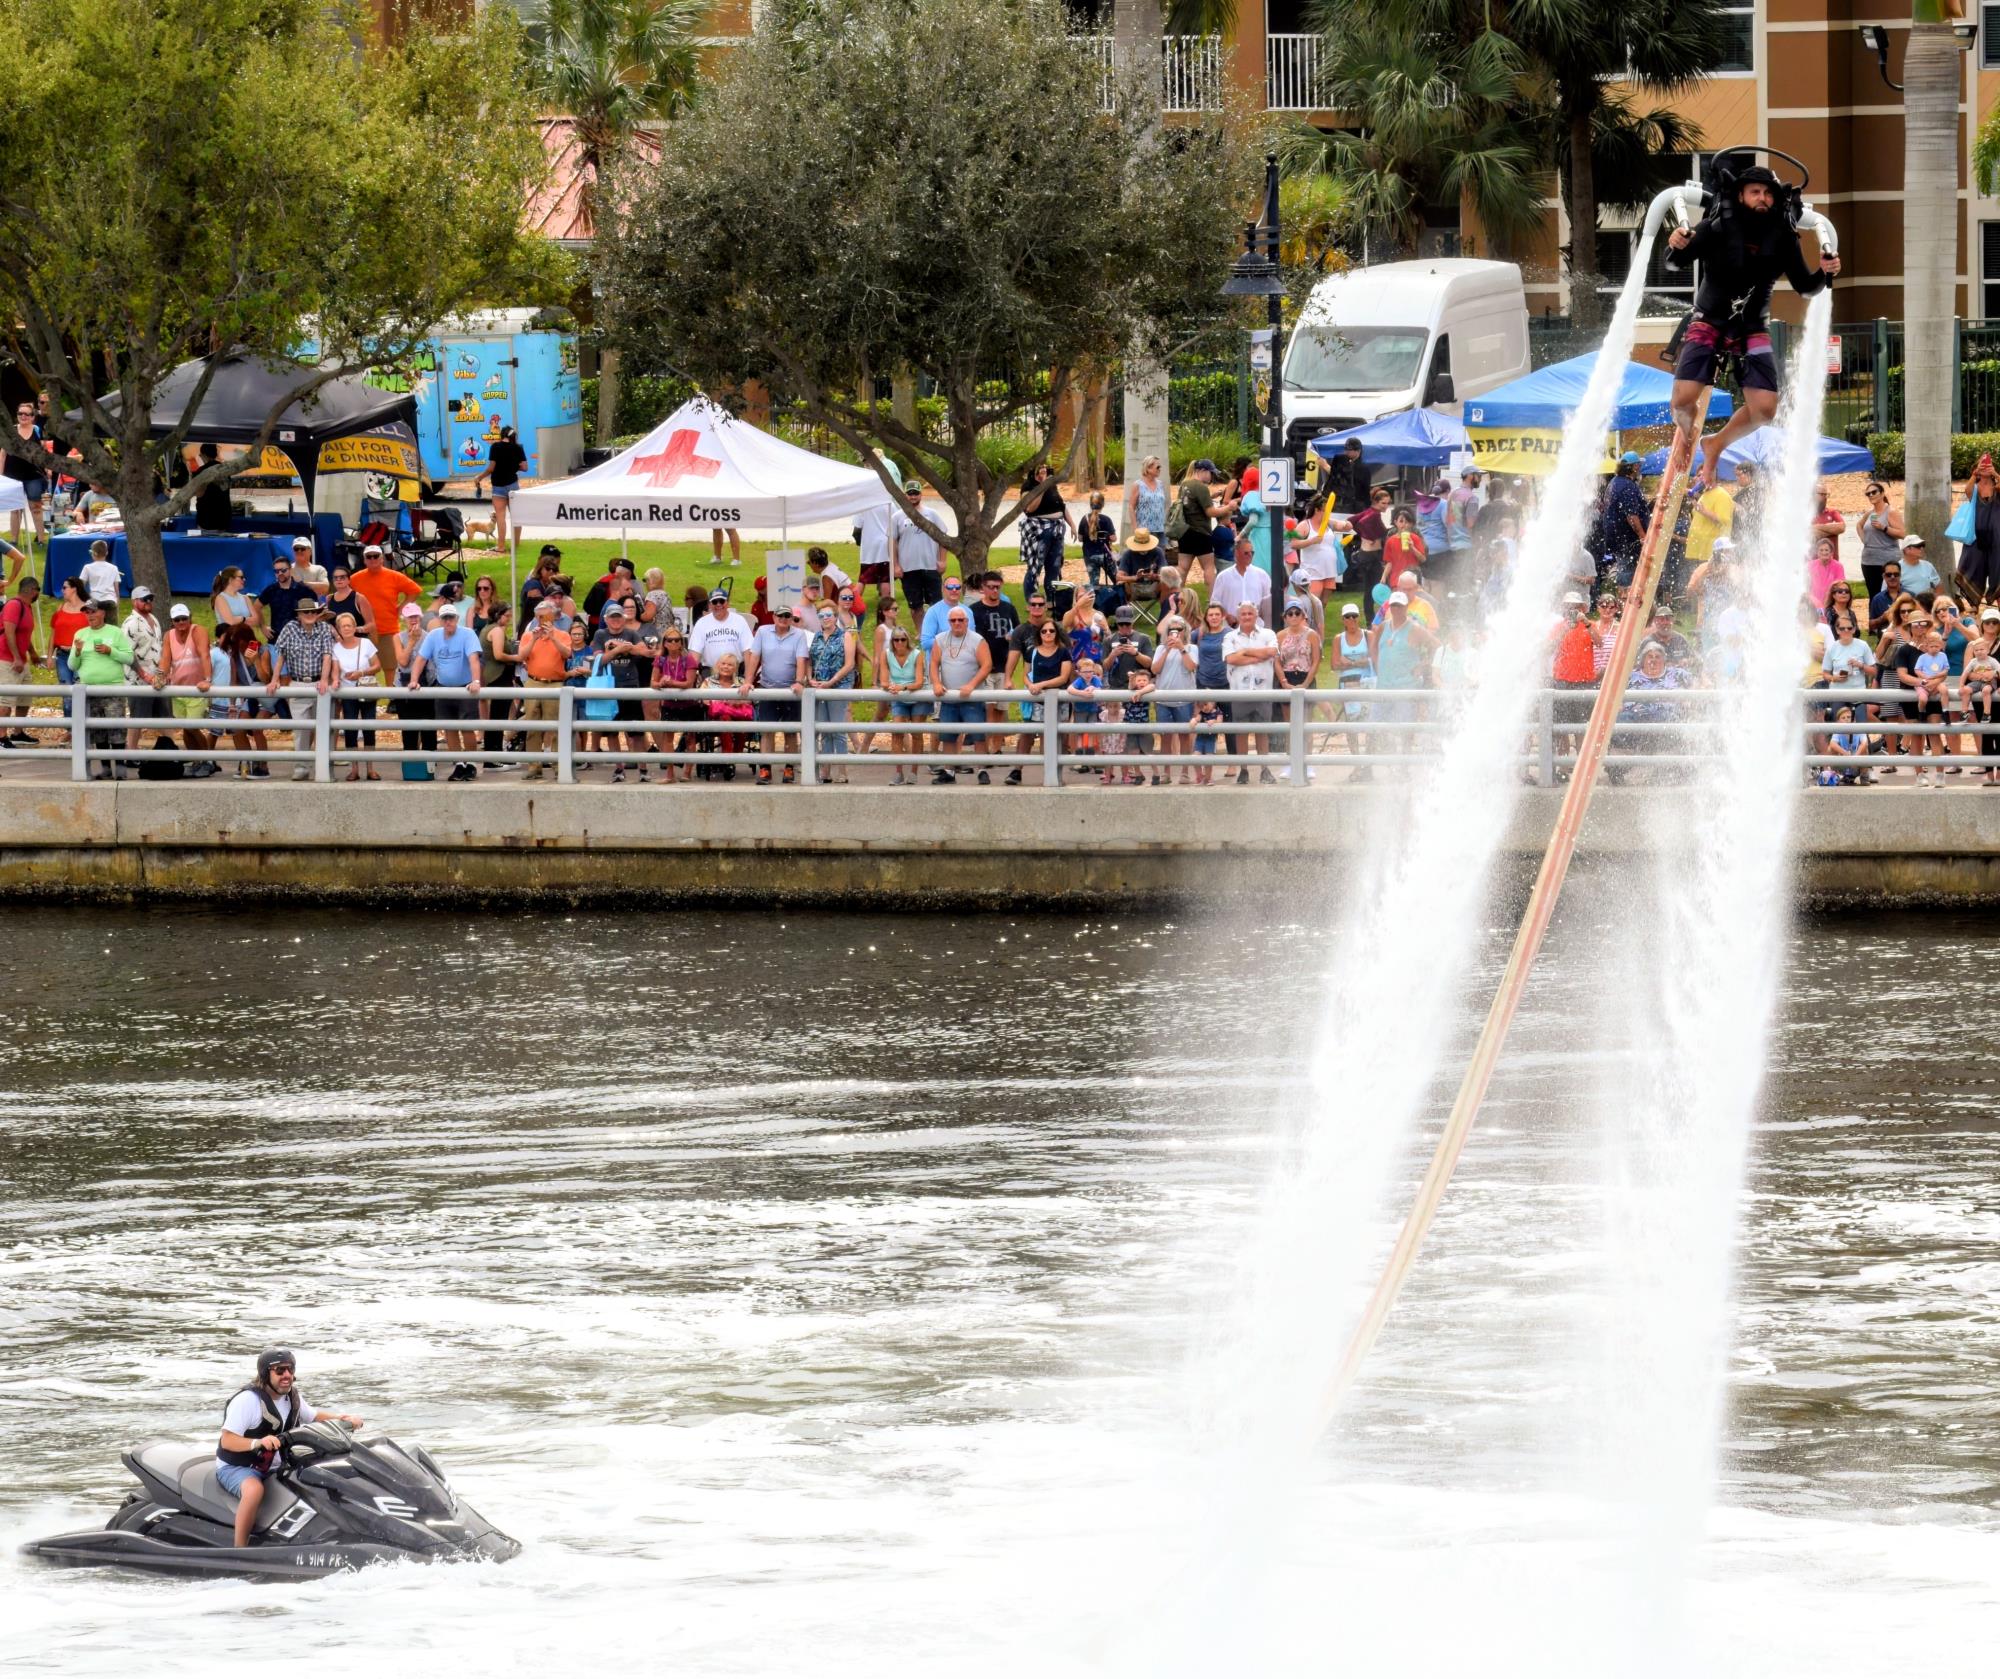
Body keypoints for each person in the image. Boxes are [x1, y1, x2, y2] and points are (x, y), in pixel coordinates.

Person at [1664, 161, 1840, 484]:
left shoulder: (1783, 236)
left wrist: (1824, 273)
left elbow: (1806, 286)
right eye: (1755, 192)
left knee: (1765, 409)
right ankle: (1687, 433)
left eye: (1768, 194)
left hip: (1752, 326)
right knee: (1682, 400)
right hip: (1710, 318)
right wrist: (1675, 244)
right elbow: (1675, 263)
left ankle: (1715, 444)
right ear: (1741, 195)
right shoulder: (1717, 225)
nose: (1762, 198)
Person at [217, 1349, 362, 1550]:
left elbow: (313, 1416)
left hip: (273, 1464)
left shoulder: (291, 1397)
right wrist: (257, 1443)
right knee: (254, 1490)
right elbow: (227, 1440)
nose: (287, 1375)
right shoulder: (247, 1401)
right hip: (238, 1467)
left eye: (290, 1369)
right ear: (265, 1373)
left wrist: (343, 1419)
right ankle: (239, 1549)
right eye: (279, 1370)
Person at [405, 601, 483, 782]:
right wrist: (414, 680)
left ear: (457, 619)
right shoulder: (434, 636)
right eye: (445, 618)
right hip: (444, 687)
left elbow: (473, 659)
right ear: (440, 620)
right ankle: (458, 764)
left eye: (451, 618)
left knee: (467, 727)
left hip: (465, 688)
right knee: (449, 727)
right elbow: (420, 659)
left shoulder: (468, 634)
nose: (448, 622)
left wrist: (475, 681)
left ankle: (471, 763)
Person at [264, 598, 337, 780]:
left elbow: (327, 656)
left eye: (313, 611)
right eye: (306, 612)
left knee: (325, 727)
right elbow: (280, 655)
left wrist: (324, 679)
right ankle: (301, 767)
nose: (310, 615)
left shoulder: (324, 628)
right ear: (299, 615)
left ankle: (325, 767)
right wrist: (275, 679)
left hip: (319, 683)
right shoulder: (290, 628)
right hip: (297, 682)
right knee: (301, 728)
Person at [744, 602, 811, 785]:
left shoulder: (798, 634)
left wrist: (799, 681)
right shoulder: (763, 632)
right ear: (774, 617)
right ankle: (765, 768)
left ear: (791, 618)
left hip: (790, 690)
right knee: (767, 730)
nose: (783, 619)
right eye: (780, 615)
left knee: (791, 731)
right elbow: (754, 657)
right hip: (768, 687)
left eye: (787, 616)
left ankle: (789, 767)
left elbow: (801, 659)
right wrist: (748, 681)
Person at [592, 600, 660, 782]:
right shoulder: (600, 634)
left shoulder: (631, 633)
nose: (615, 620)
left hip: (630, 686)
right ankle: (619, 769)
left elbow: (644, 651)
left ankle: (643, 770)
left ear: (623, 618)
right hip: (609, 688)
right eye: (612, 617)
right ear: (606, 619)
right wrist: (618, 650)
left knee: (636, 732)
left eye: (618, 617)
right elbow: (599, 659)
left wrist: (619, 646)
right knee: (612, 732)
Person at [929, 604, 994, 784]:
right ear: (948, 622)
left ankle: (982, 770)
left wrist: (972, 685)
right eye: (953, 620)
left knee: (978, 735)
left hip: (972, 697)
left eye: (960, 620)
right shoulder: (940, 639)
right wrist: (936, 683)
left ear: (966, 621)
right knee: (948, 736)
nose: (957, 623)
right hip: (949, 697)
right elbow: (933, 663)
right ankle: (949, 771)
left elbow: (987, 665)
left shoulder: (977, 640)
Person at [159, 602, 220, 775]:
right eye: (177, 619)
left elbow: (204, 655)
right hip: (178, 689)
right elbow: (165, 659)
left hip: (196, 689)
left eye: (184, 618)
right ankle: (197, 761)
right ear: (172, 621)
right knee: (186, 728)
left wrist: (207, 679)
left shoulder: (198, 631)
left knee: (192, 726)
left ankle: (207, 761)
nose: (181, 622)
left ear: (190, 618)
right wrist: (160, 676)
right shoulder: (169, 635)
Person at [1100, 604, 1155, 784]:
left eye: (1127, 624)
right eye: (1121, 624)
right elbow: (1104, 666)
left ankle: (1132, 768)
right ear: (1116, 623)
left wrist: (1135, 653)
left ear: (1132, 623)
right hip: (1116, 690)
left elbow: (1149, 663)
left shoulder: (1143, 638)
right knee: (1114, 732)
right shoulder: (1109, 640)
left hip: (1136, 691)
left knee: (1133, 733)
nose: (1124, 628)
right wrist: (1113, 654)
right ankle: (1111, 770)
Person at [350, 544, 421, 677]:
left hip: (389, 630)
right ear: (364, 560)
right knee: (365, 669)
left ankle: (391, 691)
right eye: (369, 557)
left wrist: (401, 608)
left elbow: (415, 590)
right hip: (364, 631)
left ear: (382, 558)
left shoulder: (394, 576)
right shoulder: (354, 579)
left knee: (390, 667)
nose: (372, 559)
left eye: (376, 556)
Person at [328, 611, 383, 780]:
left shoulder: (366, 643)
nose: (346, 628)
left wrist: (361, 672)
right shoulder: (335, 648)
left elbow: (377, 666)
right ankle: (354, 769)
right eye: (343, 626)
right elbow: (335, 670)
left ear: (354, 627)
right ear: (338, 629)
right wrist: (335, 680)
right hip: (348, 693)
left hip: (366, 689)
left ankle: (371, 768)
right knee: (350, 730)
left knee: (369, 728)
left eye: (349, 625)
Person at [806, 602, 858, 783]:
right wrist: (810, 678)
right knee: (824, 730)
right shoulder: (816, 637)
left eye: (829, 615)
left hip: (838, 686)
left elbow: (849, 664)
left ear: (835, 617)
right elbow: (810, 661)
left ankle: (842, 771)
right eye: (821, 615)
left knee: (837, 729)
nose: (825, 618)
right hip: (819, 687)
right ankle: (825, 770)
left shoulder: (845, 636)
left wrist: (832, 681)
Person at [1014, 618, 1072, 778]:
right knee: (1027, 734)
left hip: (1057, 701)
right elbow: (1025, 674)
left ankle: (1052, 774)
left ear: (1057, 633)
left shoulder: (1063, 652)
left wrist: (1041, 685)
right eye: (1044, 631)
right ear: (1039, 634)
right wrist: (1030, 685)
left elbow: (1063, 677)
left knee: (1055, 737)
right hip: (1036, 700)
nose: (1048, 633)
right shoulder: (1032, 651)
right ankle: (1016, 770)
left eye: (1051, 631)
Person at [650, 621, 703, 782]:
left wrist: (670, 683)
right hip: (669, 704)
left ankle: (687, 772)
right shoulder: (660, 660)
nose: (673, 643)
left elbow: (689, 683)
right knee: (668, 738)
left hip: (689, 704)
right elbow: (653, 682)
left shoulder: (689, 660)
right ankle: (670, 774)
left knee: (690, 738)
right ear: (664, 643)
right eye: (670, 640)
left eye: (677, 640)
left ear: (681, 642)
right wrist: (661, 684)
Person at [1150, 613, 1198, 785]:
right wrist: (1168, 649)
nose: (1175, 632)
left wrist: (1181, 648)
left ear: (1185, 631)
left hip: (1184, 699)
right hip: (1163, 699)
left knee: (1185, 736)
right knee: (1165, 737)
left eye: (1179, 629)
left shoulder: (1192, 648)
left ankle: (1185, 772)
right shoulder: (1160, 649)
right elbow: (1155, 669)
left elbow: (1191, 667)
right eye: (1172, 629)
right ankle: (1166, 772)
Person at [879, 620, 929, 783]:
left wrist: (903, 687)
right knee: (897, 732)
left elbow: (919, 682)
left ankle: (914, 771)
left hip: (916, 694)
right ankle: (898, 771)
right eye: (896, 639)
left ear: (907, 640)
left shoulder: (917, 654)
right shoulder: (886, 654)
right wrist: (891, 687)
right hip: (899, 696)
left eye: (903, 639)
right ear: (892, 641)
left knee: (916, 733)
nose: (899, 643)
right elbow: (883, 680)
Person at [1018, 462, 1073, 601]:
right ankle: (1031, 600)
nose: (1044, 469)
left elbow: (1061, 506)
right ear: (1034, 471)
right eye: (1041, 467)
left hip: (1057, 528)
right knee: (1035, 566)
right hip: (1038, 530)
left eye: (1045, 467)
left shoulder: (1051, 484)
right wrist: (1042, 486)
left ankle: (1051, 599)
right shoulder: (1028, 486)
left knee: (1054, 566)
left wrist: (1072, 525)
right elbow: (1030, 508)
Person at [1952, 454, 2000, 607]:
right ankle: (1974, 607)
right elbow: (1967, 491)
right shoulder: (1974, 487)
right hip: (1975, 537)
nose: (1985, 467)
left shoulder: (1997, 487)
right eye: (1982, 464)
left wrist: (1995, 474)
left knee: (1998, 571)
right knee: (1972, 568)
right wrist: (1975, 474)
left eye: (1988, 464)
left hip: (1997, 538)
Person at [890, 481, 943, 615]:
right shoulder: (897, 517)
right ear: (905, 495)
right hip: (908, 568)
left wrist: (942, 561)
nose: (913, 496)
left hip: (931, 566)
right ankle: (920, 627)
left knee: (936, 604)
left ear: (921, 494)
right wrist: (895, 565)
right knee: (915, 606)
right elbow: (892, 542)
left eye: (916, 493)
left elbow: (943, 538)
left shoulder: (932, 514)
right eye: (910, 494)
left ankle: (934, 627)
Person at [1598, 453, 1648, 591]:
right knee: (1627, 570)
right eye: (1639, 465)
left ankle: (1623, 596)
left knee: (1624, 567)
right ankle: (1624, 599)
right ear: (1634, 467)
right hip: (1627, 538)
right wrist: (1642, 535)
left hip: (1617, 537)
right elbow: (1631, 515)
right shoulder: (1627, 486)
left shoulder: (1615, 482)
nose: (1640, 467)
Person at [0, 577, 40, 744]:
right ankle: (1, 736)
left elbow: (24, 634)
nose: (38, 594)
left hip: (21, 660)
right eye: (38, 590)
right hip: (7, 659)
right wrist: (16, 657)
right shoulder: (14, 605)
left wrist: (32, 652)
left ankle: (18, 732)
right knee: (6, 701)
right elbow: (9, 632)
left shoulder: (27, 607)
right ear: (32, 590)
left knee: (25, 698)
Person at [689, 588, 753, 681]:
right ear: (709, 605)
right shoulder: (701, 623)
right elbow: (694, 654)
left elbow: (748, 651)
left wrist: (748, 678)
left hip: (736, 672)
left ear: (728, 603)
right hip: (710, 673)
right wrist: (691, 678)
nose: (718, 604)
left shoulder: (740, 621)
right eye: (715, 602)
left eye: (722, 601)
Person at [1855, 481, 1904, 602]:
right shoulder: (1869, 513)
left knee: (1890, 594)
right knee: (1873, 595)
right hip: (1868, 561)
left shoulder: (1891, 512)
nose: (1871, 495)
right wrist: (1864, 540)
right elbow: (1859, 525)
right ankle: (1874, 614)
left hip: (1887, 560)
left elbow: (1902, 534)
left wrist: (1884, 527)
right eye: (1868, 494)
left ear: (1882, 493)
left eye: (1874, 492)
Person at [260, 542, 319, 639]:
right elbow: (256, 607)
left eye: (283, 570)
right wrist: (263, 627)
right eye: (276, 571)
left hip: (300, 638)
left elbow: (316, 612)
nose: (280, 573)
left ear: (290, 570)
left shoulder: (304, 590)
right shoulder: (271, 590)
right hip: (277, 638)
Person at [482, 425, 527, 550]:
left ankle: (501, 546)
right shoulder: (518, 447)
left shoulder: (495, 447)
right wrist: (513, 466)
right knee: (516, 516)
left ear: (501, 435)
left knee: (501, 517)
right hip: (513, 485)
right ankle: (516, 545)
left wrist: (479, 477)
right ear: (513, 436)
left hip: (498, 486)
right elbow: (525, 467)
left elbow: (491, 468)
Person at [1210, 540, 1272, 626]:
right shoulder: (1223, 577)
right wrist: (1227, 616)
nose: (1250, 555)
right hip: (1232, 627)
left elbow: (1268, 601)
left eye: (1252, 553)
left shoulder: (1262, 575)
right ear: (1236, 553)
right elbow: (1215, 602)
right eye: (1246, 553)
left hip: (1257, 627)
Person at [1124, 454, 1169, 554]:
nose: (1159, 469)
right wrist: (1135, 528)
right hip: (1144, 530)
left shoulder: (1160, 484)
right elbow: (1131, 506)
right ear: (1148, 468)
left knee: (1160, 557)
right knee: (1145, 557)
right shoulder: (1138, 485)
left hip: (1160, 529)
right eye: (1157, 467)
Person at [920, 574, 971, 656]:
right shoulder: (933, 612)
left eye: (958, 587)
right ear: (943, 589)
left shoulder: (968, 611)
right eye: (950, 587)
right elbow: (925, 643)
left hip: (965, 659)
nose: (954, 590)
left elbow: (973, 638)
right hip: (940, 660)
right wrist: (953, 641)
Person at [1078, 493, 1118, 590]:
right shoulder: (1106, 519)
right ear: (1103, 505)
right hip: (1105, 555)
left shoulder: (1084, 519)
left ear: (1090, 504)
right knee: (1116, 579)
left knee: (1094, 582)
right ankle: (1119, 596)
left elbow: (1080, 538)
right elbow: (1113, 538)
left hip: (1089, 555)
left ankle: (1095, 597)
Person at [1324, 436, 1372, 515]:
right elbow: (1333, 478)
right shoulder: (1340, 462)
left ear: (1358, 451)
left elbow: (1366, 490)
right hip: (1337, 503)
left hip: (1355, 506)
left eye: (1349, 450)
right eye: (1345, 449)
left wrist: (1367, 508)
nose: (1346, 452)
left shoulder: (1363, 468)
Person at [1806, 534, 1846, 616]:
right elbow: (1805, 585)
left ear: (1831, 552)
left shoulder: (1838, 566)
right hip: (1814, 603)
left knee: (1831, 621)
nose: (1824, 552)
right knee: (1817, 621)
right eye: (1821, 550)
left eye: (1826, 550)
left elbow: (1840, 586)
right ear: (1817, 552)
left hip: (1831, 603)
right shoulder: (1810, 565)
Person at [1896, 534, 1942, 602]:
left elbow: (1938, 586)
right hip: (1906, 605)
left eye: (1923, 545)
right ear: (1907, 549)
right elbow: (1887, 591)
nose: (1922, 548)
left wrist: (1935, 603)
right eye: (1918, 546)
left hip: (1926, 605)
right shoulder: (1896, 567)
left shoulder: (1928, 566)